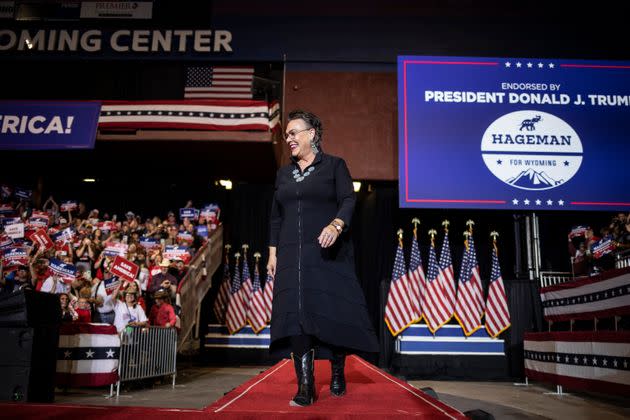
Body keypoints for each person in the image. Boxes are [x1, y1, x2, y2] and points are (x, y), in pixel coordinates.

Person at [266, 110, 378, 407]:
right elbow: (276, 216)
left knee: (332, 311)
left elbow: (348, 200)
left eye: (293, 133)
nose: (288, 138)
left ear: (311, 134)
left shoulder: (334, 166)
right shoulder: (283, 173)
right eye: (286, 134)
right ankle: (306, 385)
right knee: (296, 315)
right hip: (292, 255)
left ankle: (338, 369)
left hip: (327, 253)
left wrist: (336, 225)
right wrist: (273, 253)